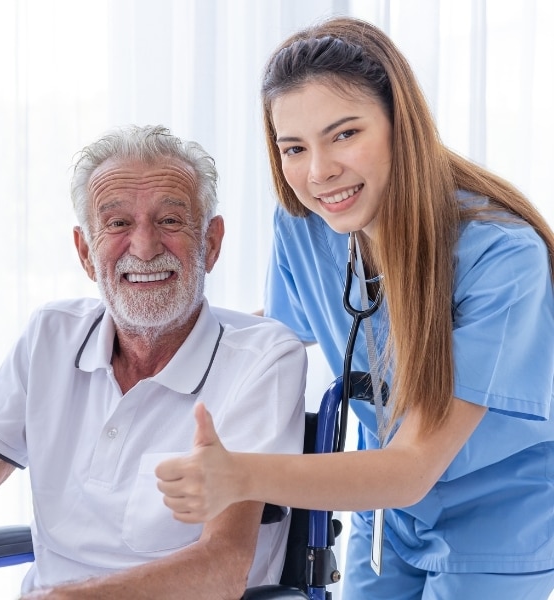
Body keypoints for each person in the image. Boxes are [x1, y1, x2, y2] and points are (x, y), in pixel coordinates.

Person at [156, 16, 554, 600]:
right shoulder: (303, 228)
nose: (318, 173)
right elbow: (277, 335)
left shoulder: (502, 259)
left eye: (344, 134)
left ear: (401, 125)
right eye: (294, 147)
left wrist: (238, 476)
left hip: (497, 516)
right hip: (383, 512)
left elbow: (415, 465)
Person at [0, 124, 307, 599]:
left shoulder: (264, 358)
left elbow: (225, 567)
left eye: (171, 221)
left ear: (212, 244)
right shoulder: (49, 337)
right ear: (85, 252)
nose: (144, 247)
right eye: (118, 224)